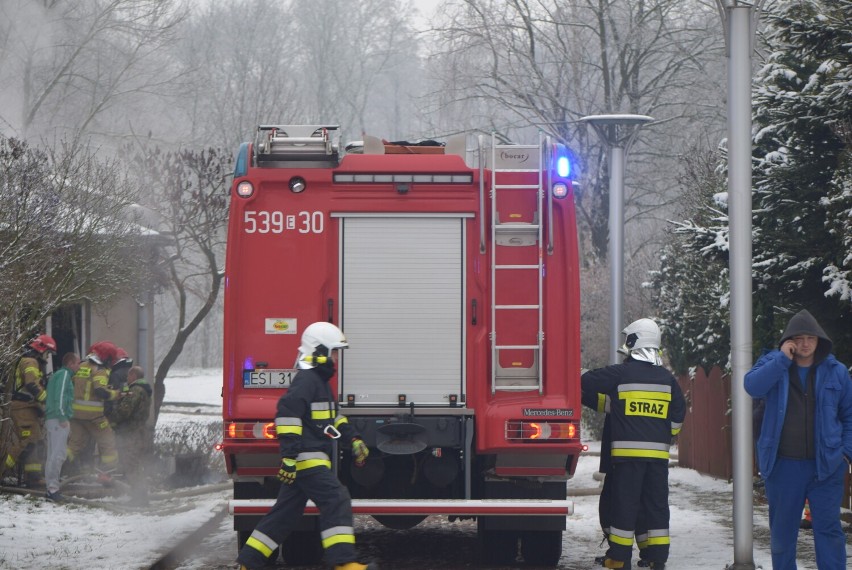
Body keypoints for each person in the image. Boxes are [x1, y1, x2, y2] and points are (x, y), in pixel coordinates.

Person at [236, 322, 376, 570]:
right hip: (306, 460)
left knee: (284, 515)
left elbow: (334, 419)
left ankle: (248, 563)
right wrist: (289, 458)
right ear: (319, 352)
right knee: (336, 499)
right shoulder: (307, 380)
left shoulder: (319, 383)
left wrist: (353, 439)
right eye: (334, 352)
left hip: (306, 459)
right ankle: (343, 562)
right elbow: (287, 416)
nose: (336, 359)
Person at [744, 309, 852, 570]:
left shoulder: (836, 371)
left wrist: (845, 455)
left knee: (828, 531)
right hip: (783, 466)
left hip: (825, 467)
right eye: (799, 338)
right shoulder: (772, 363)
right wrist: (782, 360)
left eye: (810, 338)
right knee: (782, 535)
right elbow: (752, 386)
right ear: (788, 340)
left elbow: (849, 416)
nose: (805, 344)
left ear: (819, 341)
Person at [581, 318, 686, 570]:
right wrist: (663, 435)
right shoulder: (668, 379)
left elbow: (587, 381)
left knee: (625, 507)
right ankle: (657, 558)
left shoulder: (621, 373)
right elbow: (678, 414)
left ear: (634, 341)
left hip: (627, 459)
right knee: (657, 507)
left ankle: (619, 557)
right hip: (658, 460)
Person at [3, 334, 57, 487]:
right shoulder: (30, 361)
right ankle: (2, 470)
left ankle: (33, 478)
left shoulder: (30, 361)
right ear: (41, 349)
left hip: (28, 407)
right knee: (27, 442)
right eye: (47, 353)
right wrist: (47, 400)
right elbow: (32, 385)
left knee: (37, 441)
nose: (47, 357)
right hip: (22, 407)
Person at [67, 341, 121, 481]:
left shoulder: (81, 366)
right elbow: (100, 391)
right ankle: (107, 473)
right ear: (106, 357)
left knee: (74, 445)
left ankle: (60, 467)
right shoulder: (99, 369)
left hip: (76, 415)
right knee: (107, 441)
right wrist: (115, 394)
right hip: (94, 416)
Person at [109, 365, 152, 505]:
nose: (126, 379)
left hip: (131, 434)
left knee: (132, 465)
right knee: (136, 465)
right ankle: (140, 496)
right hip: (139, 433)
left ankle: (139, 498)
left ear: (133, 376)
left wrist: (112, 417)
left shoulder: (135, 390)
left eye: (128, 376)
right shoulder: (144, 390)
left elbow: (124, 411)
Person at [44, 351, 80, 501]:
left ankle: (51, 488)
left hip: (52, 419)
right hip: (58, 420)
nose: (79, 366)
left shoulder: (58, 375)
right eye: (77, 363)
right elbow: (60, 397)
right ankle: (53, 490)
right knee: (57, 455)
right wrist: (62, 417)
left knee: (52, 455)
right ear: (70, 363)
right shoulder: (65, 375)